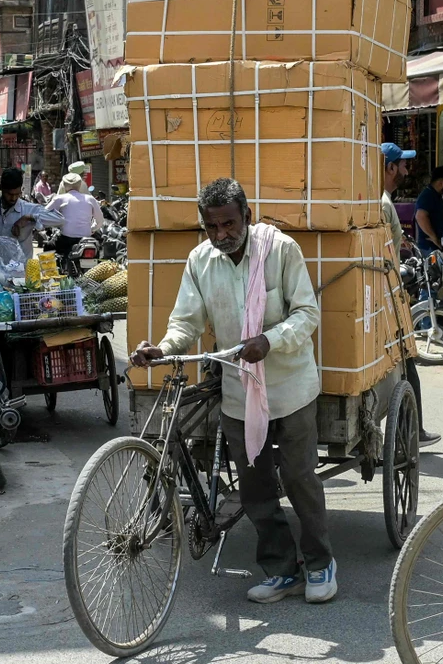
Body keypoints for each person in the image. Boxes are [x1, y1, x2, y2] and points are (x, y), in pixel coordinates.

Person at [130, 178, 336, 604]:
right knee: (255, 487)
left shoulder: (280, 251)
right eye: (212, 227)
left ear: (247, 215)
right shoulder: (200, 261)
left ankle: (320, 564)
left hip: (291, 389)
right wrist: (161, 348)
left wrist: (270, 340)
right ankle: (282, 570)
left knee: (299, 479)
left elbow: (307, 313)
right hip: (239, 392)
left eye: (229, 224)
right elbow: (185, 323)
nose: (222, 234)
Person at [380, 143, 439, 447]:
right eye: (401, 165)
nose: (405, 170)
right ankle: (408, 433)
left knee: (403, 366)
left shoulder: (383, 201)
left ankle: (407, 431)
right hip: (386, 298)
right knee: (405, 365)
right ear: (389, 167)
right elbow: (381, 254)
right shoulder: (383, 203)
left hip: (387, 294)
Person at [0, 168, 65, 260]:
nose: (13, 198)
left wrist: (29, 217)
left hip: (21, 271)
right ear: (0, 188)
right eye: (9, 194)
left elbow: (60, 219)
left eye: (17, 194)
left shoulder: (29, 209)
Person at [45, 172, 103, 257]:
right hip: (87, 238)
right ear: (79, 185)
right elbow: (100, 220)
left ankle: (52, 270)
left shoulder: (59, 198)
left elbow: (43, 214)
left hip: (66, 239)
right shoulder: (90, 199)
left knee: (48, 246)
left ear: (64, 185)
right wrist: (92, 229)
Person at [380, 142, 415, 252]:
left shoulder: (385, 199)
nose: (406, 172)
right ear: (391, 168)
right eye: (404, 166)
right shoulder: (384, 203)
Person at [415, 166, 443, 256]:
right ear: (441, 183)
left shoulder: (436, 195)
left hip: (435, 247)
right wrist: (434, 238)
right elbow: (420, 216)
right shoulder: (428, 195)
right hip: (429, 248)